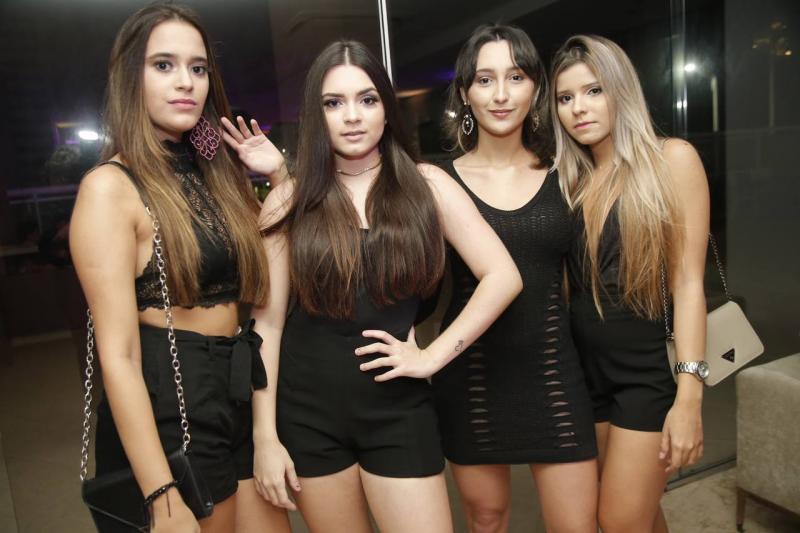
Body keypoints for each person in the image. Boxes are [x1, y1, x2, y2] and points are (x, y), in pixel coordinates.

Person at [243, 40, 522, 533]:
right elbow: (266, 326)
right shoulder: (288, 199)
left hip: (398, 411)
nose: (352, 116)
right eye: (334, 103)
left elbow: (503, 276)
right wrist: (264, 436)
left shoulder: (425, 185)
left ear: (387, 109)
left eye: (367, 99)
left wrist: (432, 357)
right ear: (316, 115)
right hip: (307, 416)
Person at [70, 3, 289, 531]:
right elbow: (118, 356)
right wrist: (161, 493)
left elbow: (269, 276)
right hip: (173, 399)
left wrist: (280, 176)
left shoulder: (216, 174)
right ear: (130, 78)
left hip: (235, 384)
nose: (186, 82)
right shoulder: (109, 188)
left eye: (198, 68)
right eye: (163, 65)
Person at [432, 24, 598, 533]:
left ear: (536, 88)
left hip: (554, 375)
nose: (501, 94)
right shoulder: (437, 180)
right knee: (486, 520)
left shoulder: (570, 173)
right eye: (485, 80)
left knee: (577, 526)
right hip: (472, 378)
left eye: (516, 77)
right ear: (465, 93)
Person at [551, 34, 709, 532]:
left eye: (593, 90)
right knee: (638, 513)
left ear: (621, 90)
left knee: (618, 520)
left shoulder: (671, 159)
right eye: (565, 97)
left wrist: (689, 397)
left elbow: (688, 283)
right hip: (586, 374)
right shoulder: (569, 181)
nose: (578, 108)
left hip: (646, 374)